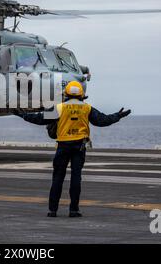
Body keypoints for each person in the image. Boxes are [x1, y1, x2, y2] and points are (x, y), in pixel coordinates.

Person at [14, 81, 131, 217]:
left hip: (63, 146)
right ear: (82, 94)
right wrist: (118, 115)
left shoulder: (60, 108)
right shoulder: (86, 108)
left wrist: (22, 115)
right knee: (76, 178)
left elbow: (39, 118)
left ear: (66, 94)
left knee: (57, 178)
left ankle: (53, 210)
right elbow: (102, 120)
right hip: (79, 146)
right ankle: (74, 210)